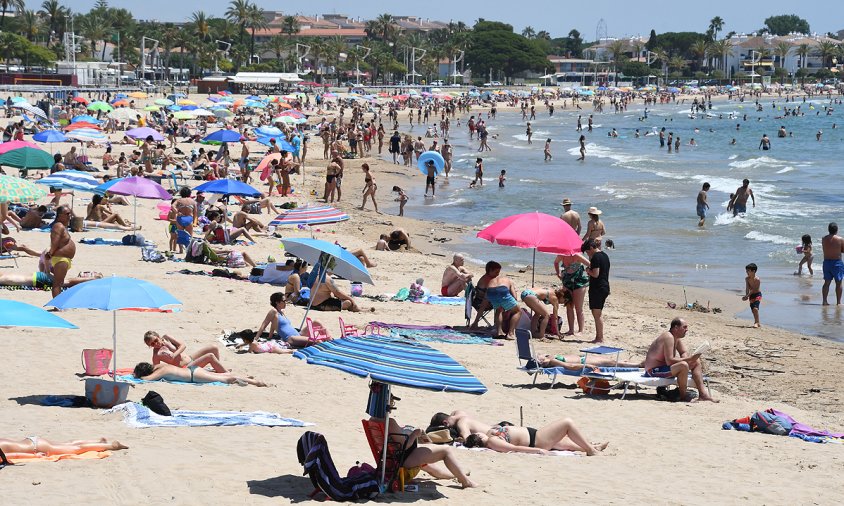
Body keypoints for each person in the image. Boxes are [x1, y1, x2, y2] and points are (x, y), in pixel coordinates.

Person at [374, 398, 476, 488]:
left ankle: (459, 474)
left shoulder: (374, 420)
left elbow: (395, 439)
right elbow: (404, 447)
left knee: (434, 470)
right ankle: (465, 481)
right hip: (403, 460)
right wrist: (414, 434)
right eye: (391, 400)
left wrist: (406, 431)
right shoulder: (389, 422)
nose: (392, 403)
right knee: (446, 451)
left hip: (392, 459)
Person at [432, 411, 606, 456]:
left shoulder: (461, 418)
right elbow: (513, 448)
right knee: (567, 422)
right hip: (535, 440)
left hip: (535, 436)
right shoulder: (492, 442)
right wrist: (538, 451)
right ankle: (590, 450)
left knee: (562, 444)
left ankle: (590, 447)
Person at [641, 318, 717, 402]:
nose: (687, 330)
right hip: (653, 371)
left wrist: (689, 360)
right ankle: (683, 396)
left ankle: (703, 394)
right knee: (683, 365)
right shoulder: (668, 337)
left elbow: (683, 351)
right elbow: (669, 360)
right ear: (676, 328)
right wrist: (688, 359)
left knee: (696, 362)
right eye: (684, 327)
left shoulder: (676, 338)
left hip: (664, 368)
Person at [254, 292, 320, 348]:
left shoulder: (281, 312)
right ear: (277, 302)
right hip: (291, 338)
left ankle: (329, 339)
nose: (286, 303)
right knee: (316, 341)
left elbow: (273, 325)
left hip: (298, 334)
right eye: (284, 301)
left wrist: (270, 337)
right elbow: (264, 324)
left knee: (316, 322)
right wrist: (256, 339)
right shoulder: (273, 311)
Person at [143, 331, 229, 373]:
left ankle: (218, 369)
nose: (156, 344)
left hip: (191, 358)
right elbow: (156, 368)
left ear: (158, 336)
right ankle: (224, 373)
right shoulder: (156, 354)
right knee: (210, 356)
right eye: (152, 344)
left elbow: (183, 345)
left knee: (213, 347)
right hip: (186, 367)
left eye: (156, 340)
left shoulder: (166, 337)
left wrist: (174, 354)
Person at [132, 362, 267, 386]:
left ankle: (255, 382)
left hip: (194, 376)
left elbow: (147, 380)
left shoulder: (161, 371)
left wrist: (136, 376)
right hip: (194, 370)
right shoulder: (160, 366)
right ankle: (246, 377)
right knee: (222, 376)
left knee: (226, 379)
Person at [554, 251, 591, 335]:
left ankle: (580, 330)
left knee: (578, 308)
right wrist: (558, 273)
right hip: (567, 282)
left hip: (579, 283)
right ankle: (571, 330)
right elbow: (556, 262)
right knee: (569, 306)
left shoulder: (577, 255)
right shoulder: (562, 254)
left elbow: (590, 264)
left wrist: (589, 273)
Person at [483, 261, 520, 340]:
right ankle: (510, 333)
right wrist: (511, 309)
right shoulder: (509, 281)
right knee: (518, 311)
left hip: (490, 291)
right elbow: (514, 296)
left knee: (499, 310)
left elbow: (486, 295)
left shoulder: (492, 279)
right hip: (502, 291)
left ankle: (499, 331)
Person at [45, 205, 75, 298]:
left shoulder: (62, 226)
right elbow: (55, 242)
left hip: (63, 259)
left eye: (70, 213)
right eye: (67, 213)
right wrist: (50, 253)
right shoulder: (58, 226)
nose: (69, 215)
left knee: (60, 282)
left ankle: (59, 304)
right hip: (60, 258)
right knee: (57, 283)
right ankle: (57, 306)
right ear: (60, 215)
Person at [583, 238, 609, 343]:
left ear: (591, 248)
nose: (588, 254)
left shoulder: (595, 258)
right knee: (598, 313)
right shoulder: (605, 255)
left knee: (597, 314)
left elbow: (596, 273)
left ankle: (599, 338)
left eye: (588, 251)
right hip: (605, 286)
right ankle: (599, 337)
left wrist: (588, 270)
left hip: (598, 288)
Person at [0, 437, 128, 457]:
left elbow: (9, 456)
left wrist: (33, 455)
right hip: (31, 440)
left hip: (36, 447)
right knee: (69, 444)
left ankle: (110, 445)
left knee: (77, 449)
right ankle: (98, 441)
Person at [821, 222, 844, 305]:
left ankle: (824, 301)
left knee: (826, 282)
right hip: (837, 263)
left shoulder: (824, 238)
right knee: (839, 282)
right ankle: (838, 302)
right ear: (837, 230)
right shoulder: (840, 239)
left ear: (828, 230)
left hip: (826, 262)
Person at [741, 263, 762, 328]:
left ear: (753, 271)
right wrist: (746, 295)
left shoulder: (757, 279)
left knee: (755, 308)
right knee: (753, 310)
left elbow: (753, 289)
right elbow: (747, 288)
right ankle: (757, 322)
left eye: (748, 271)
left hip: (757, 295)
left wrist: (747, 296)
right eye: (746, 271)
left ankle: (757, 322)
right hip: (751, 295)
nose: (747, 272)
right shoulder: (747, 279)